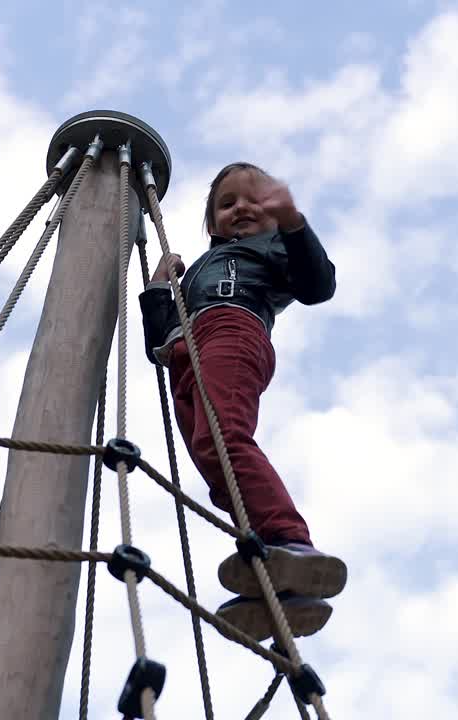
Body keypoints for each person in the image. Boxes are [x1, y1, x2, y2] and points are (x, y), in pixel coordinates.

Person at [139, 162, 347, 642]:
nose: (241, 209)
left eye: (254, 201)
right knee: (210, 457)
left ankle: (291, 542)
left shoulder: (274, 246)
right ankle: (273, 573)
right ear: (212, 225)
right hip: (185, 351)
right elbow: (157, 344)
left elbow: (318, 287)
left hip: (233, 329)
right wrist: (156, 288)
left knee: (223, 437)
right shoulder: (197, 272)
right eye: (227, 204)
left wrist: (293, 224)